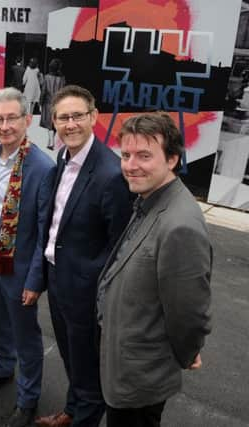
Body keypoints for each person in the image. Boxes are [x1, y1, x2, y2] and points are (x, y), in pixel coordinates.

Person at [96, 112, 212, 427]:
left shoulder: (180, 226)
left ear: (172, 158)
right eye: (126, 155)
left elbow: (189, 313)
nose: (131, 165)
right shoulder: (150, 197)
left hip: (139, 381)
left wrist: (187, 352)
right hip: (125, 368)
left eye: (145, 155)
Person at [35, 85, 132, 427]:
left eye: (78, 116)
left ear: (94, 118)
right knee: (71, 357)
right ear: (53, 121)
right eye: (63, 117)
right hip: (59, 280)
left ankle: (83, 417)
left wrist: (94, 288)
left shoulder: (110, 174)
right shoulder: (62, 158)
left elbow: (120, 246)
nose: (70, 124)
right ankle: (72, 411)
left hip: (87, 293)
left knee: (88, 369)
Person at [0, 87, 56, 427]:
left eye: (12, 118)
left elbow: (43, 230)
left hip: (18, 266)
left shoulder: (42, 167)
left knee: (26, 333)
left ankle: (28, 399)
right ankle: (4, 369)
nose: (4, 126)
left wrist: (35, 279)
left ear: (28, 120)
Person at [40, 58, 66, 149]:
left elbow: (43, 91)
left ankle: (51, 143)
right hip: (59, 103)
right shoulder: (62, 78)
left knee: (49, 124)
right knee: (54, 122)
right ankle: (51, 142)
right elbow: (64, 92)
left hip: (48, 103)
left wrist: (40, 102)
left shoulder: (47, 77)